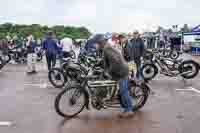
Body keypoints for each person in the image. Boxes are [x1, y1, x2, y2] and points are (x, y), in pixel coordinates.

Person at [93, 34, 135, 118]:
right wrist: (98, 63)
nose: (95, 45)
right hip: (118, 71)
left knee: (123, 92)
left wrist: (108, 72)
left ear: (100, 42)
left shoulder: (107, 48)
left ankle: (129, 110)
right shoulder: (105, 48)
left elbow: (115, 62)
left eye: (96, 43)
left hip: (121, 72)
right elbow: (106, 59)